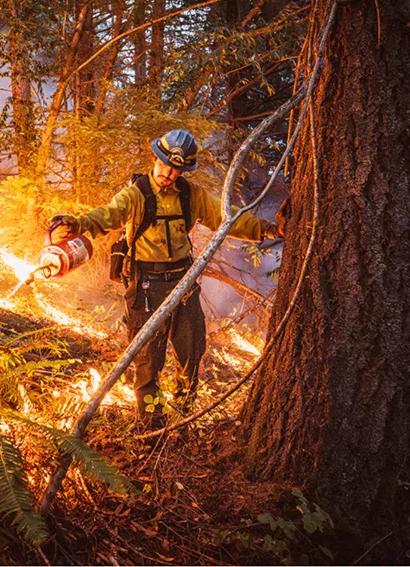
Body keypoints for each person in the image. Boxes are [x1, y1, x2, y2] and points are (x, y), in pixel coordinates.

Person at [49, 129, 283, 430]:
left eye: (177, 169)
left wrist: (270, 230)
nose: (169, 173)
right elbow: (105, 217)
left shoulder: (191, 195)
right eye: (164, 165)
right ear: (155, 158)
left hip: (183, 282)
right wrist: (77, 224)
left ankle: (183, 415)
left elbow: (229, 217)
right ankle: (153, 427)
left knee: (191, 349)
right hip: (146, 284)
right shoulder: (136, 195)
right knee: (148, 358)